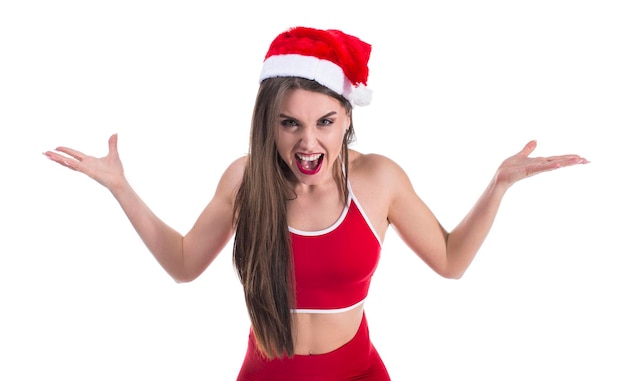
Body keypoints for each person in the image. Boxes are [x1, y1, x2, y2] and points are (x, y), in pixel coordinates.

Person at [43, 26, 588, 380]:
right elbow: (185, 264)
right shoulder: (246, 181)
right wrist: (121, 188)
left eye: (326, 122)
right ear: (268, 125)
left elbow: (450, 261)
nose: (309, 143)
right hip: (266, 372)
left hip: (357, 371)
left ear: (349, 116)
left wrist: (497, 186)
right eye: (290, 124)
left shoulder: (379, 180)